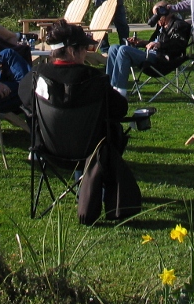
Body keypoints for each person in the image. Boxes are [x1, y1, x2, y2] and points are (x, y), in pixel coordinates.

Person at [33, 21, 140, 223]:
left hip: (49, 151)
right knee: (112, 131)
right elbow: (120, 109)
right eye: (84, 48)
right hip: (90, 154)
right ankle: (99, 189)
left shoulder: (37, 75)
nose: (87, 52)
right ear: (72, 51)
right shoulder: (93, 79)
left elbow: (27, 104)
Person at [105, 1, 193, 96]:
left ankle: (120, 91)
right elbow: (153, 43)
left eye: (157, 14)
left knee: (123, 50)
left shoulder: (180, 25)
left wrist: (159, 44)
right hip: (150, 54)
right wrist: (141, 42)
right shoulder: (161, 25)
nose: (156, 17)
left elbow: (178, 45)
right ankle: (107, 87)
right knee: (113, 48)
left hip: (162, 60)